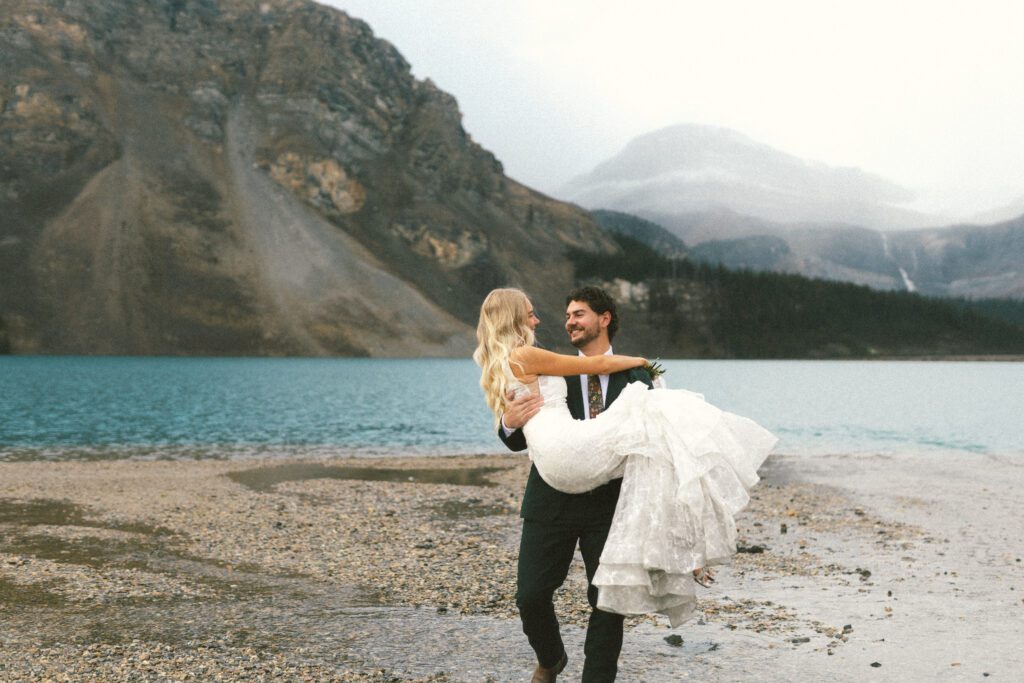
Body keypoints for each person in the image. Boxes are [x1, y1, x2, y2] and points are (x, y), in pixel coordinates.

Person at [475, 287, 776, 682]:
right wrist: (508, 421)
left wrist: (687, 537)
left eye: (578, 314)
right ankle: (550, 660)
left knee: (607, 602)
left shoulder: (639, 376)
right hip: (552, 498)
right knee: (530, 596)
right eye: (566, 315)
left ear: (604, 318)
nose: (568, 321)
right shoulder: (547, 365)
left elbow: (663, 452)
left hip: (612, 505)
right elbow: (520, 434)